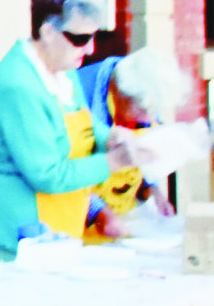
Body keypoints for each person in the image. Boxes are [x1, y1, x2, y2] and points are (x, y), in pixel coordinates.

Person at [0, 0, 138, 264]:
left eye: (94, 37)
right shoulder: (19, 86)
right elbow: (47, 174)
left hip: (57, 225)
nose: (90, 49)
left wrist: (108, 137)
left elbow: (82, 122)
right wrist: (114, 162)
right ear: (48, 31)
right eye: (80, 39)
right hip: (17, 231)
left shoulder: (63, 69)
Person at [74, 44, 192, 231]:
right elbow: (65, 172)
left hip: (121, 219)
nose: (150, 119)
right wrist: (100, 212)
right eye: (145, 111)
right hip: (73, 221)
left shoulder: (147, 88)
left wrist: (155, 191)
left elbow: (145, 149)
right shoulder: (77, 94)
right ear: (121, 95)